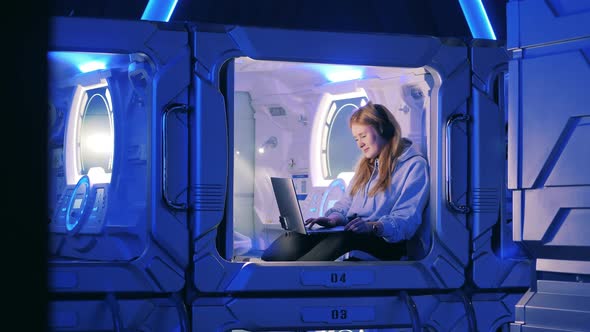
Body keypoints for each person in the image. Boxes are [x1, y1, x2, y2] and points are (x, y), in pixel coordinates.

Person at [261, 102, 430, 261]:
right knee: (293, 240)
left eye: (362, 136)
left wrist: (372, 226)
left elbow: (406, 221)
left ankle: (290, 281)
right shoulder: (366, 167)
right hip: (351, 233)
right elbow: (346, 204)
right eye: (356, 139)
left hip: (383, 242)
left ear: (383, 129)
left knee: (339, 241)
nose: (360, 144)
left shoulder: (414, 166)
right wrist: (333, 220)